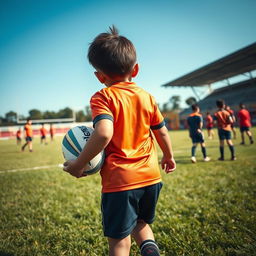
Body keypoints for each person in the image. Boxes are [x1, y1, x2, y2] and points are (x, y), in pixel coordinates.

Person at [63, 26, 176, 256]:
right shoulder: (147, 97)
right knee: (142, 222)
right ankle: (150, 251)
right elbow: (161, 131)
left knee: (119, 241)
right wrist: (169, 156)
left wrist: (79, 164)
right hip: (151, 177)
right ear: (136, 69)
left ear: (99, 76)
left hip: (120, 181)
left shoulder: (103, 96)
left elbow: (104, 133)